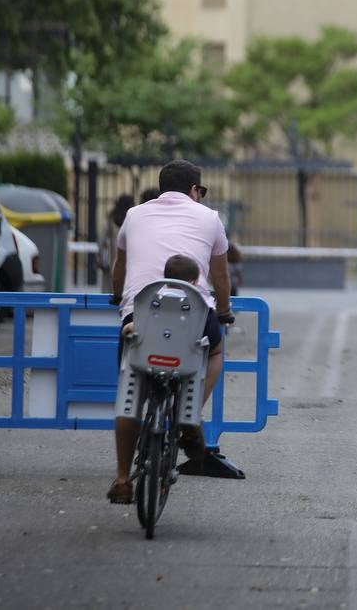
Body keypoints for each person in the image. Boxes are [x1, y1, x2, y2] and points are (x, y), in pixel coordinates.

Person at [107, 160, 233, 504]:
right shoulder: (210, 218)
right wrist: (223, 312)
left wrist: (119, 297)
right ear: (195, 190)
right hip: (192, 313)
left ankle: (122, 478)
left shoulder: (133, 216)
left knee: (131, 389)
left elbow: (119, 267)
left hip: (142, 312)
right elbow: (221, 277)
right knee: (217, 351)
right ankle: (187, 413)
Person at [101, 194, 135, 273]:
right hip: (129, 259)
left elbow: (102, 238)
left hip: (112, 257)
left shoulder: (111, 218)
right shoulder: (133, 218)